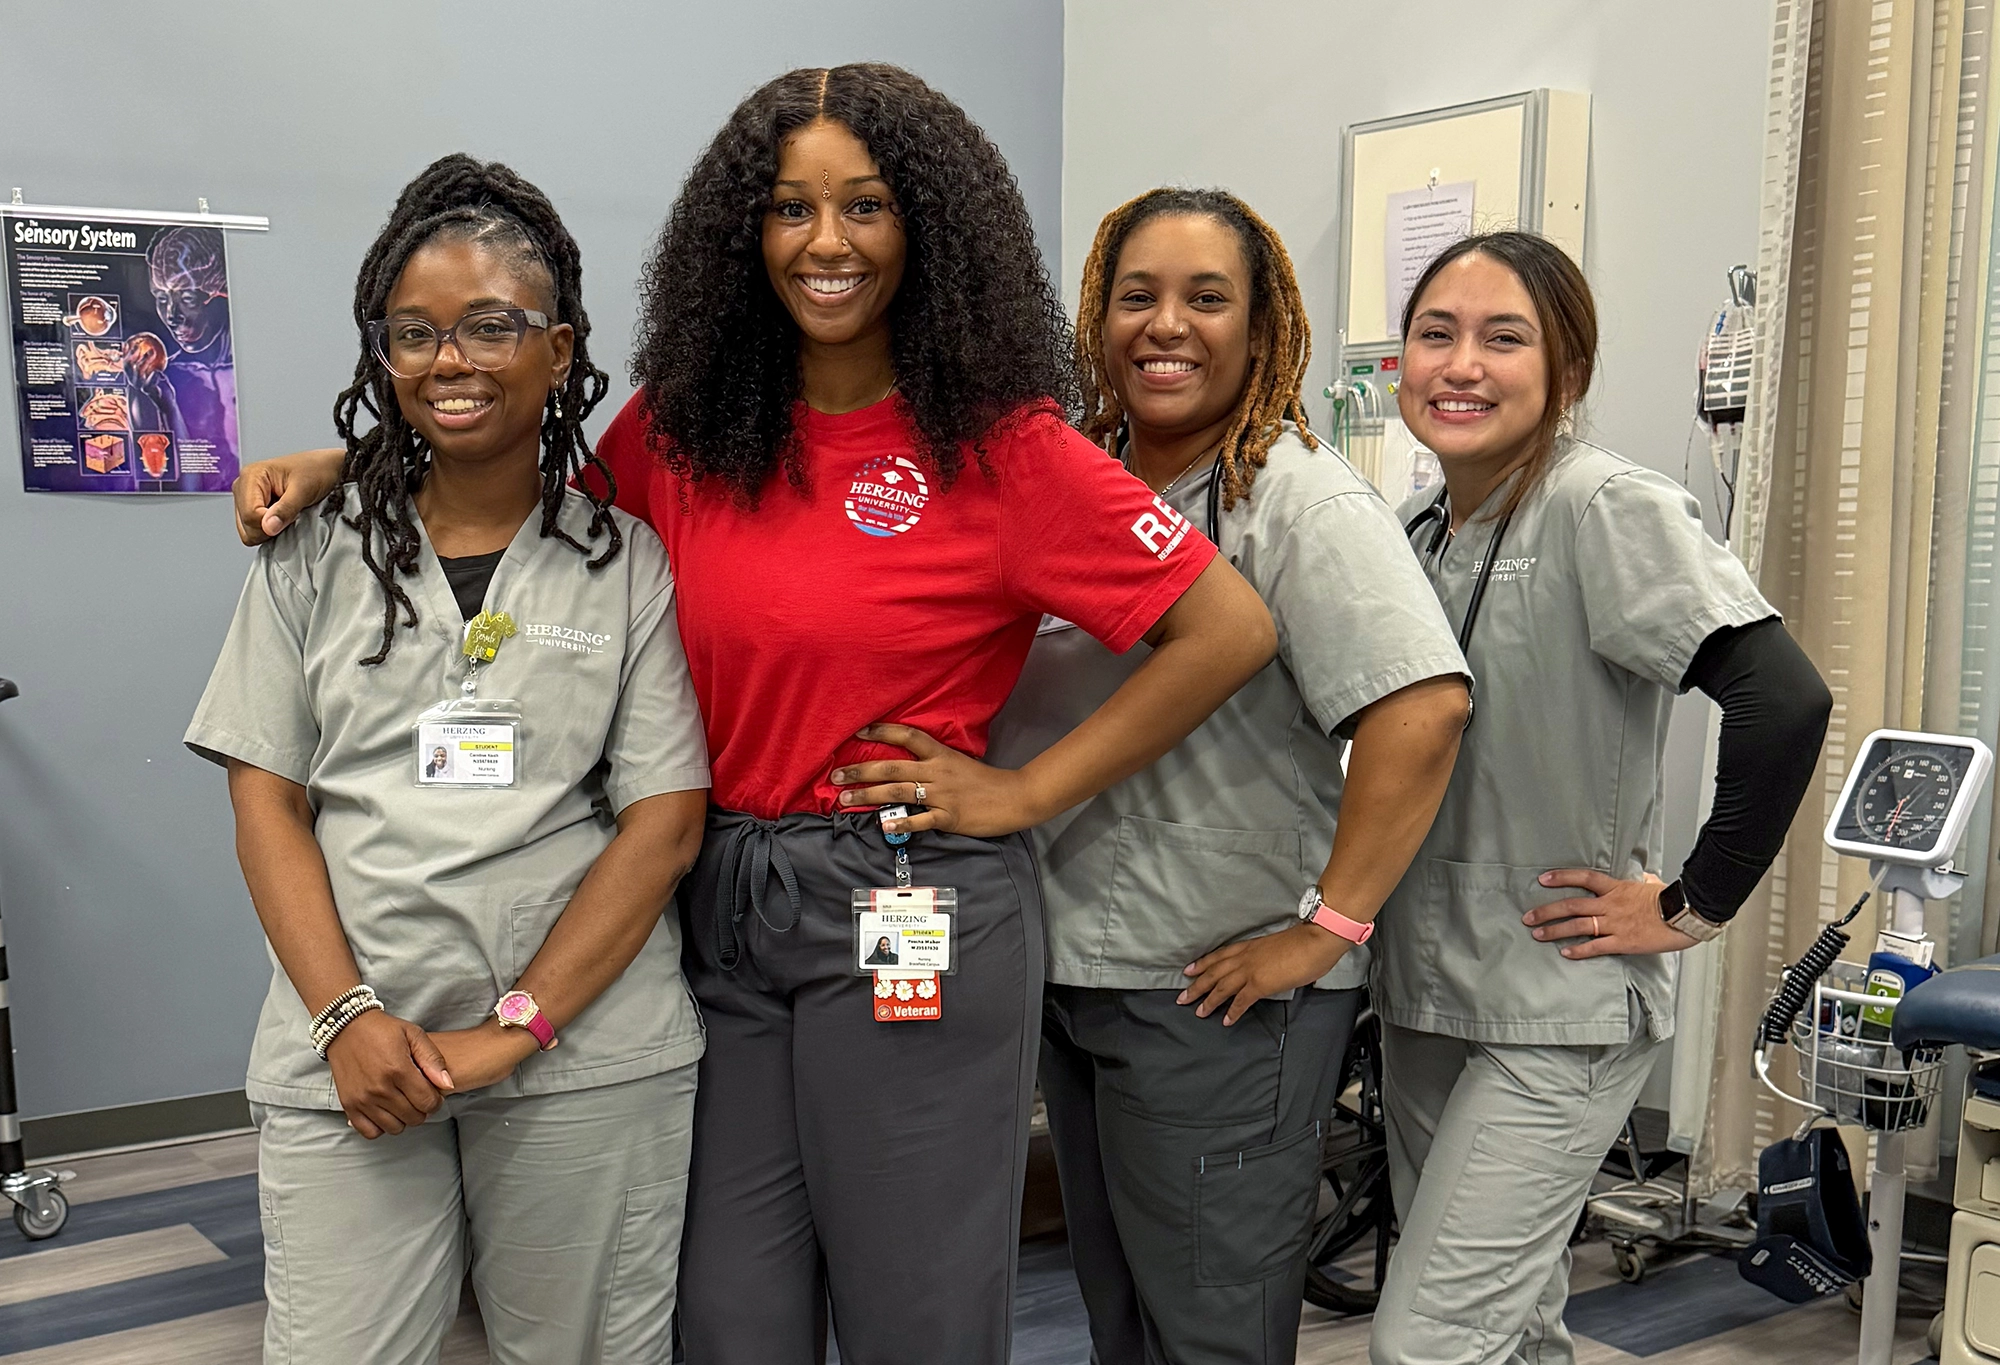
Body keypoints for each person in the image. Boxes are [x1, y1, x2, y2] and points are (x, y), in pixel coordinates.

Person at [228, 66, 1275, 1365]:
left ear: (929, 228)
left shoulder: (1000, 446)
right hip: (719, 899)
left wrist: (1027, 790)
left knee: (918, 1312)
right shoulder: (686, 428)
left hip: (911, 905)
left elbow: (1227, 628)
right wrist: (351, 462)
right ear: (746, 233)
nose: (826, 243)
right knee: (726, 1315)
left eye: (867, 206)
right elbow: (520, 483)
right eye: (790, 208)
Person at [187, 155, 711, 1364]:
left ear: (559, 347)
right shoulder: (312, 549)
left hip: (581, 1053)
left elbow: (663, 821)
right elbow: (264, 799)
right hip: (350, 1049)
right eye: (412, 334)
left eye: (490, 327)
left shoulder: (623, 560)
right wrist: (347, 1017)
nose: (449, 360)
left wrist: (518, 1027)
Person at [986, 188, 1469, 1365]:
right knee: (1126, 1321)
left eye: (1207, 299)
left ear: (1261, 331)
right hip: (1079, 970)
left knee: (1207, 1331)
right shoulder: (1088, 482)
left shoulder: (1294, 498)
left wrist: (1326, 928)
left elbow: (1422, 706)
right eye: (1136, 297)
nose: (1167, 326)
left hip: (1216, 993)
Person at [1367, 231, 1832, 1365]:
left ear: (1564, 372)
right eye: (1435, 334)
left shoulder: (1603, 507)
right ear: (1399, 366)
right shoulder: (1417, 532)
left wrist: (1690, 904)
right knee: (1512, 1328)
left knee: (1424, 1345)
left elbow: (1782, 700)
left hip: (1554, 1008)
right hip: (1427, 994)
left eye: (1502, 337)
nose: (1460, 364)